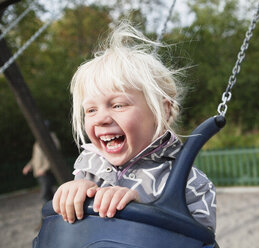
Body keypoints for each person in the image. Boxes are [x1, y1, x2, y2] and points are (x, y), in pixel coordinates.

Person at [52, 21, 216, 232]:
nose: (101, 118)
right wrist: (73, 196)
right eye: (91, 110)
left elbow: (199, 237)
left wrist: (144, 207)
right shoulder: (88, 169)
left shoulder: (190, 183)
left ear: (162, 111)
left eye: (117, 105)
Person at [23, 122, 60, 203]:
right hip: (39, 172)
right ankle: (53, 212)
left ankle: (48, 213)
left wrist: (44, 169)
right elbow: (35, 157)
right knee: (49, 193)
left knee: (46, 193)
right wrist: (29, 166)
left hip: (47, 172)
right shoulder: (39, 140)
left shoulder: (51, 139)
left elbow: (53, 156)